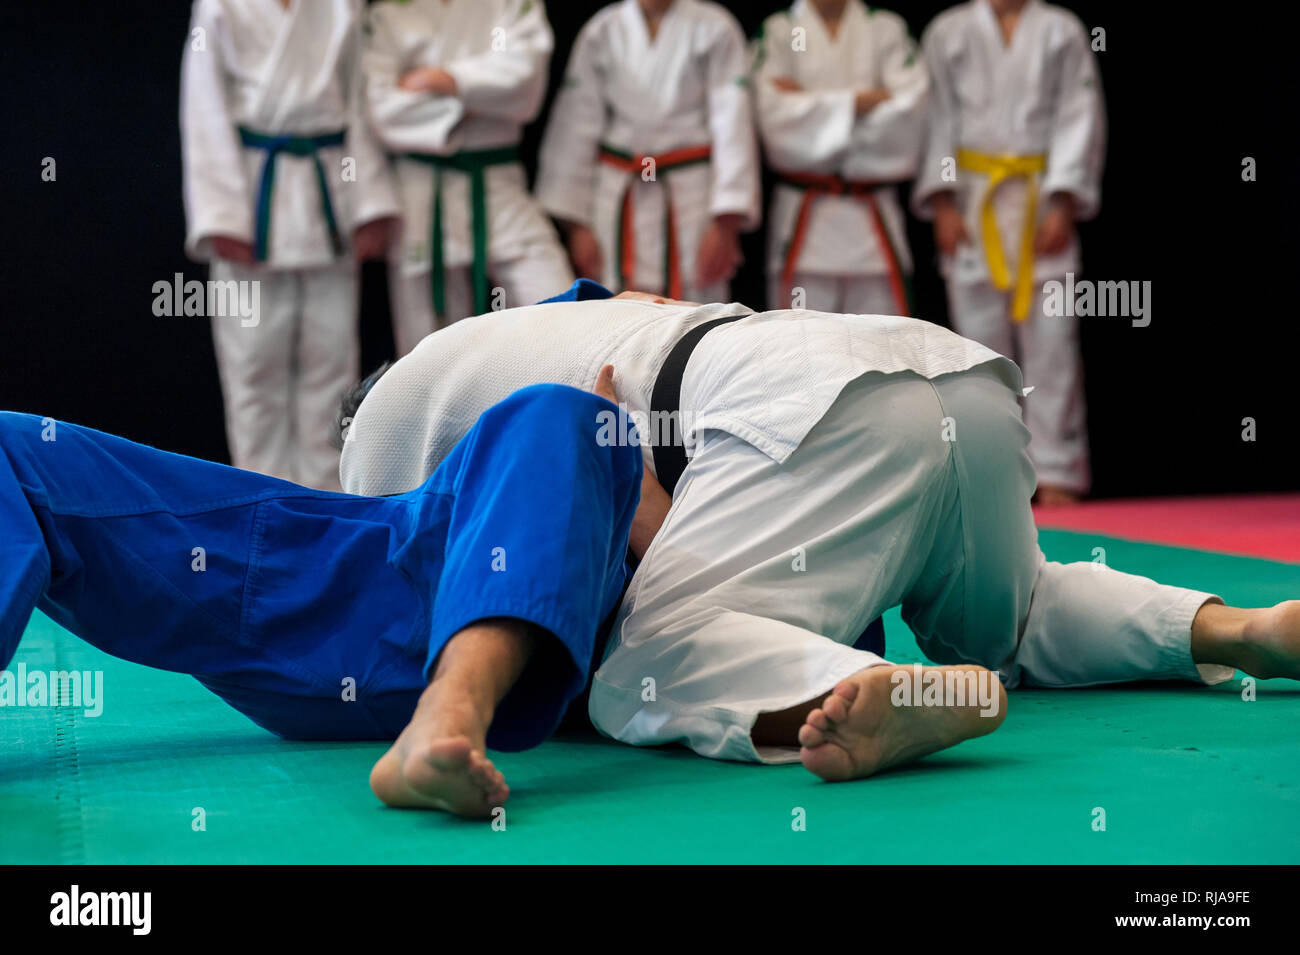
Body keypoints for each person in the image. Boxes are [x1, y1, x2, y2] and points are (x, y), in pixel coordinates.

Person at [341, 283, 1300, 780]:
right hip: (952, 369)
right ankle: (1243, 628)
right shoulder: (568, 322)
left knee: (642, 665)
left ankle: (844, 686)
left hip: (811, 421)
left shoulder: (383, 428)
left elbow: (488, 562)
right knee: (1017, 611)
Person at [0, 382, 644, 818]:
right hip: (353, 585)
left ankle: (450, 711)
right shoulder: (610, 333)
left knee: (566, 414)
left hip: (410, 600)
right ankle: (444, 711)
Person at [180, 0, 399, 490]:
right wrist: (222, 215)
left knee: (332, 361)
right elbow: (203, 110)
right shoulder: (218, 7)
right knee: (253, 366)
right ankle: (259, 499)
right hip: (252, 196)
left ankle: (322, 503)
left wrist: (370, 202)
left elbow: (360, 103)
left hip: (330, 200)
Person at [912, 0, 1106, 505]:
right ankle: (986, 467)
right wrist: (943, 200)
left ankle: (1057, 472)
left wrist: (1063, 199)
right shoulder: (947, 30)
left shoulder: (1060, 29)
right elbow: (937, 118)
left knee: (1053, 345)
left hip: (1040, 195)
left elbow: (1078, 115)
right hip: (974, 199)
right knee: (975, 348)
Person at [362, 0, 574, 354]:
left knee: (564, 318)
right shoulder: (387, 13)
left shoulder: (512, 4)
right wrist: (471, 106)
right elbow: (379, 107)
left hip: (497, 183)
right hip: (420, 192)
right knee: (426, 357)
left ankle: (551, 404)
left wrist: (447, 80)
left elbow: (525, 80)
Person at [535, 0, 760, 302]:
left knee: (698, 303)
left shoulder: (715, 28)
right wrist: (577, 227)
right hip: (614, 197)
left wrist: (726, 224)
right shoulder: (602, 30)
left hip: (692, 200)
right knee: (614, 303)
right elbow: (576, 126)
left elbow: (732, 122)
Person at [753, 0, 928, 314]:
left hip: (873, 219)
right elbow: (774, 122)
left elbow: (911, 115)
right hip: (803, 221)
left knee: (881, 349)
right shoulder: (778, 30)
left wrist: (810, 106)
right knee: (801, 349)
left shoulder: (886, 27)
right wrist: (861, 102)